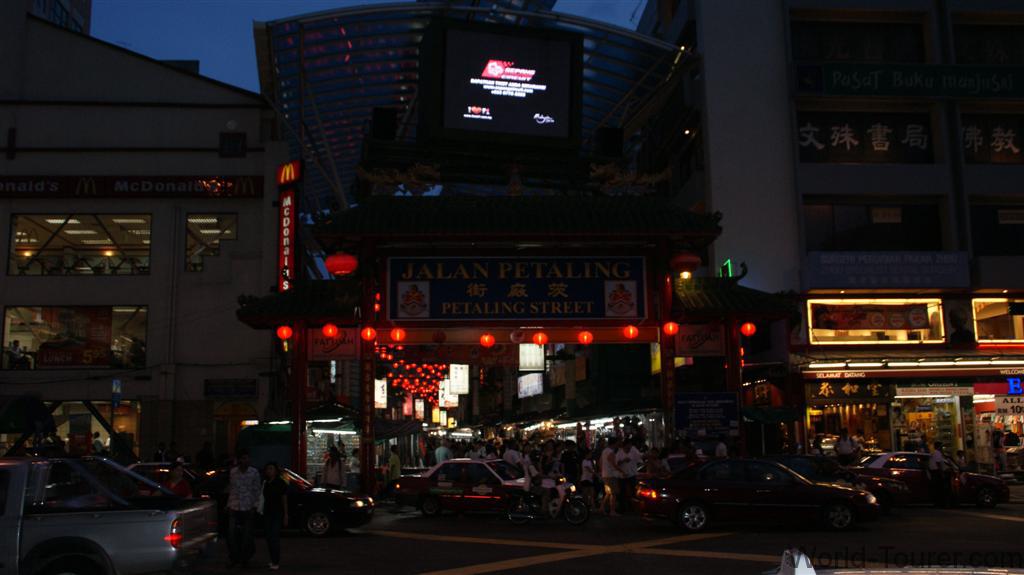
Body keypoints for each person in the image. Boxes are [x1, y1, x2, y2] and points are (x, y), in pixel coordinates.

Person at [226, 449, 262, 568]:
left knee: (247, 535)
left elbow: (257, 490)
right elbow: (232, 489)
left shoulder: (254, 472)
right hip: (234, 506)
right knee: (232, 534)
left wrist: (255, 506)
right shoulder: (233, 472)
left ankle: (244, 558)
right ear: (239, 460)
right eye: (243, 458)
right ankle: (234, 558)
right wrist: (228, 505)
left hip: (248, 506)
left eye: (247, 458)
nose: (245, 460)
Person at [262, 462, 288, 571]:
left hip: (277, 513)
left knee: (275, 538)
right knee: (269, 537)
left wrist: (286, 514)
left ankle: (276, 561)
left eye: (271, 469)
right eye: (268, 469)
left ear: (276, 471)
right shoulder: (266, 483)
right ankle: (272, 560)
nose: (269, 471)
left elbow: (284, 499)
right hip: (267, 513)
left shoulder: (280, 482)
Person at [599, 437, 623, 517]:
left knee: (608, 493)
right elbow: (614, 464)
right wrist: (622, 471)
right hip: (611, 475)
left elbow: (600, 462)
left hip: (605, 474)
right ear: (614, 443)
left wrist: (602, 471)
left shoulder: (604, 451)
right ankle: (612, 511)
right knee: (614, 493)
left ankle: (602, 508)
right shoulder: (611, 452)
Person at [618, 439, 641, 513]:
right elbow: (615, 463)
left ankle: (633, 508)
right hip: (622, 476)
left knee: (633, 491)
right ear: (625, 445)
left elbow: (640, 459)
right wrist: (623, 461)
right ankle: (623, 508)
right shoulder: (619, 452)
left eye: (631, 445)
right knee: (622, 492)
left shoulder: (634, 451)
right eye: (629, 445)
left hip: (632, 474)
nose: (630, 446)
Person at [928, 441, 951, 508]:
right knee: (939, 488)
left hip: (934, 472)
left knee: (937, 488)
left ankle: (937, 502)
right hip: (936, 472)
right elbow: (938, 463)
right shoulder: (937, 453)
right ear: (939, 446)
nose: (942, 448)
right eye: (941, 446)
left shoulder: (934, 453)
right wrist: (942, 473)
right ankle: (940, 503)